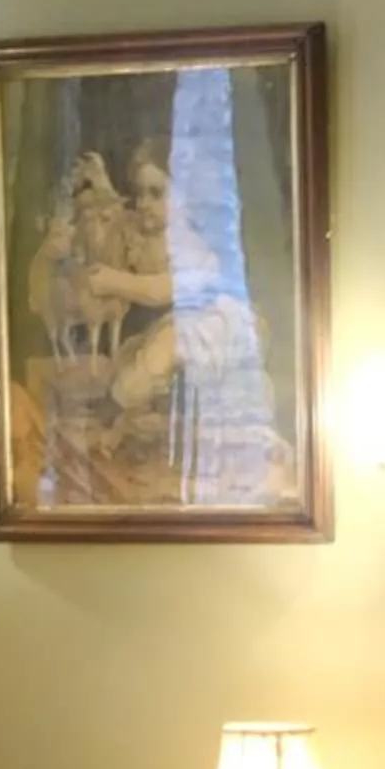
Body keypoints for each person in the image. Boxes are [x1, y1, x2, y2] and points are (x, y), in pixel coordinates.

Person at [79, 141, 285, 501]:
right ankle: (125, 418)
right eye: (140, 193)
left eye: (156, 193)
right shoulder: (154, 236)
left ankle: (116, 405)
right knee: (138, 352)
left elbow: (162, 290)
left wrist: (115, 281)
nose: (144, 204)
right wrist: (103, 190)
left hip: (224, 324)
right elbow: (119, 223)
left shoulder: (196, 242)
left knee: (160, 350)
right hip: (192, 324)